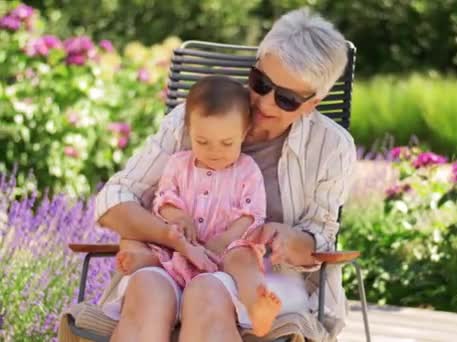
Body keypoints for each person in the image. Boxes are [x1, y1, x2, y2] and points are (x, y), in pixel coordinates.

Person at [95, 8, 356, 342]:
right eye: (260, 83)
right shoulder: (195, 120)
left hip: (262, 283)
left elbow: (321, 238)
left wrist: (291, 241)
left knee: (206, 294)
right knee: (146, 287)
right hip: (173, 265)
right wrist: (172, 236)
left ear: (312, 103)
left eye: (286, 99)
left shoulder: (331, 147)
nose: (263, 102)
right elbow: (116, 199)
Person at [112, 75, 281, 336]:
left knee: (244, 256)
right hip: (180, 251)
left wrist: (225, 239)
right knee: (156, 247)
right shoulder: (178, 164)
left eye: (227, 143)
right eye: (202, 142)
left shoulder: (247, 170)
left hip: (224, 256)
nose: (215, 151)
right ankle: (144, 261)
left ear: (244, 134)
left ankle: (255, 303)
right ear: (189, 132)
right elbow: (164, 199)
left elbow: (252, 214)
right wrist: (178, 216)